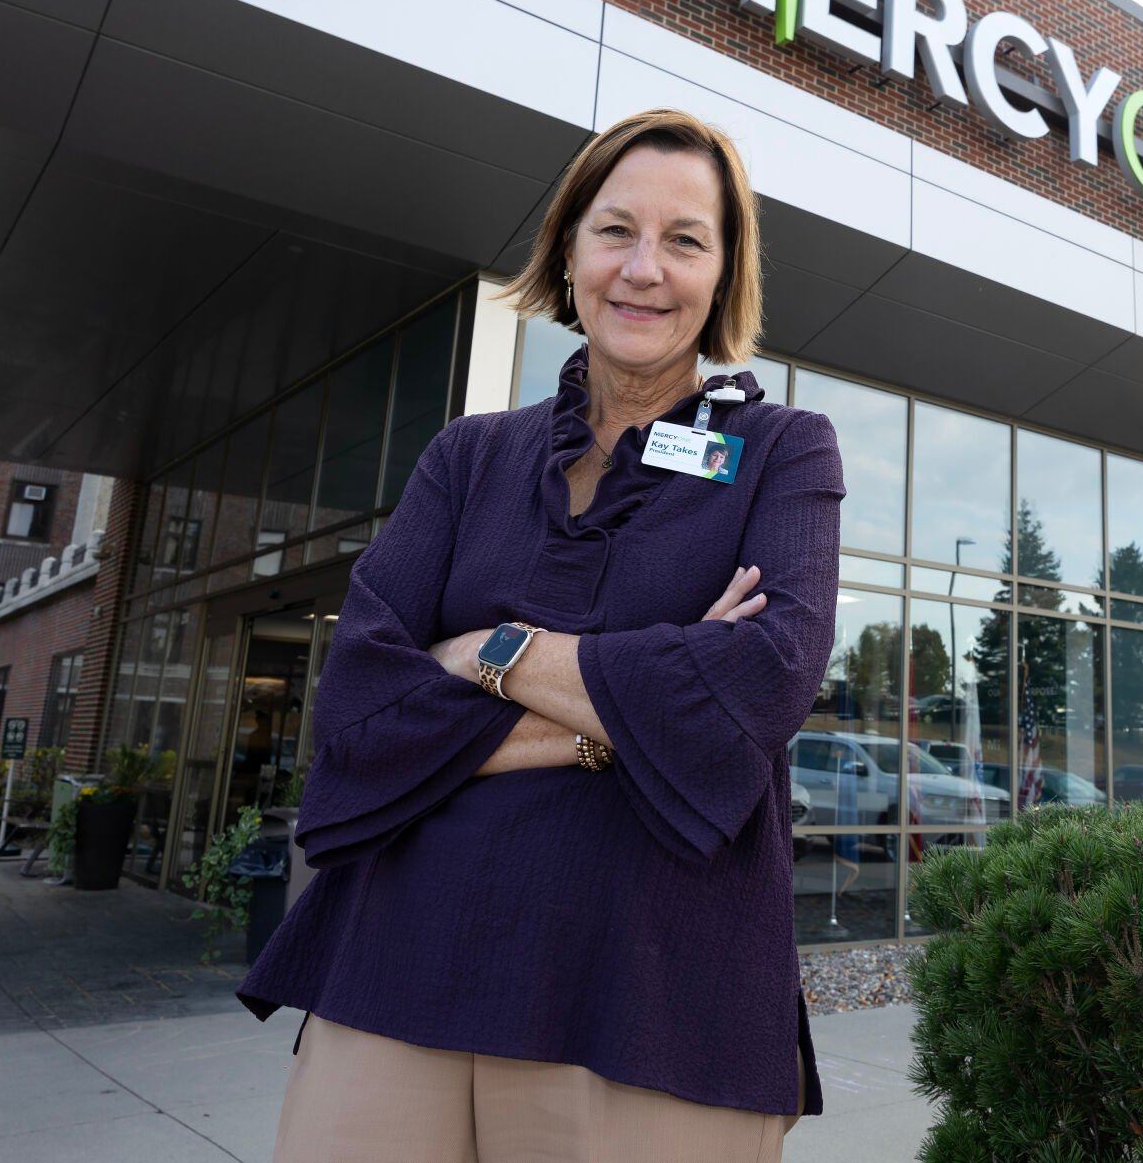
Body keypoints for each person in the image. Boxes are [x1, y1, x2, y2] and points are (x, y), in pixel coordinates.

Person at [235, 107, 844, 1162]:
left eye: (685, 239)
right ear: (567, 250)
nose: (643, 268)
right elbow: (360, 709)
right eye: (614, 230)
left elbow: (762, 681)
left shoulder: (780, 452)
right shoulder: (468, 457)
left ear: (723, 271)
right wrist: (639, 704)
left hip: (652, 1001)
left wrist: (483, 650)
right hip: (392, 970)